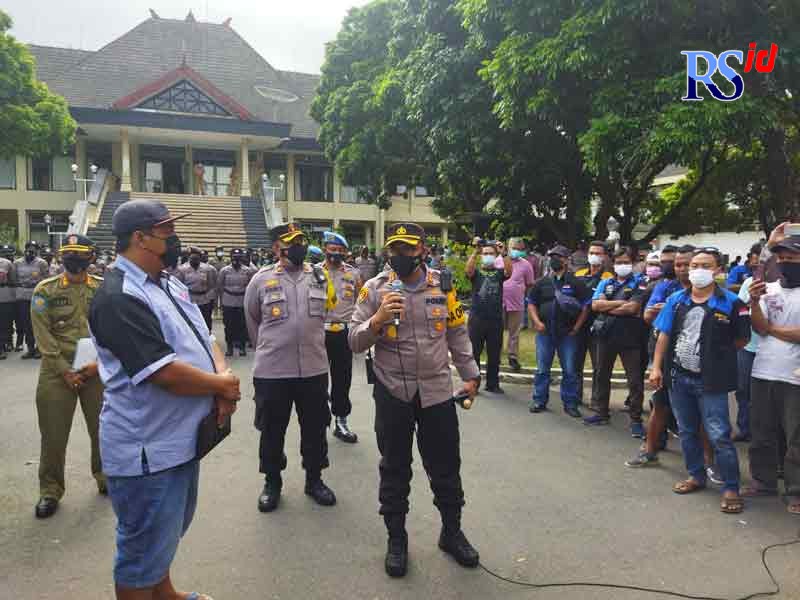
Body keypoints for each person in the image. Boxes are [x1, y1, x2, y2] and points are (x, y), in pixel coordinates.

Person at [89, 199, 240, 600]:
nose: (175, 239)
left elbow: (205, 337)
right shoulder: (119, 296)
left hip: (177, 440)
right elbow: (162, 373)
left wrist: (221, 378)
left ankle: (165, 593)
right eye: (167, 231)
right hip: (146, 449)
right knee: (141, 550)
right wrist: (220, 386)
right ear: (140, 238)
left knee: (166, 533)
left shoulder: (168, 282)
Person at [349, 222, 481, 578]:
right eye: (394, 248)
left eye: (407, 248)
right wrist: (377, 320)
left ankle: (451, 533)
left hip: (437, 392)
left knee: (446, 466)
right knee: (394, 468)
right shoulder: (375, 288)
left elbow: (457, 333)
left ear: (422, 249)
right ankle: (397, 539)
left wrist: (471, 375)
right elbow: (354, 340)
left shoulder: (442, 286)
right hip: (393, 391)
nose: (400, 255)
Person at [245, 223, 338, 514]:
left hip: (313, 369)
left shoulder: (319, 277)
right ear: (277, 248)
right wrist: (273, 347)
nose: (298, 247)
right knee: (272, 431)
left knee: (316, 428)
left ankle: (314, 479)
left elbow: (328, 311)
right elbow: (253, 321)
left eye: (301, 241)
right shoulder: (260, 280)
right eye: (291, 242)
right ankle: (272, 482)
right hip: (273, 372)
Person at [649, 247, 748, 514]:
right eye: (694, 266)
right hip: (679, 378)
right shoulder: (676, 300)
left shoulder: (732, 303)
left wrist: (716, 357)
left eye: (705, 266)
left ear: (718, 271)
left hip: (711, 382)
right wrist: (656, 367)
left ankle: (731, 487)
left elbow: (742, 339)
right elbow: (664, 334)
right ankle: (695, 475)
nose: (698, 271)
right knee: (687, 430)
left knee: (719, 435)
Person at [29, 235, 105, 518]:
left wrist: (99, 365)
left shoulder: (102, 289)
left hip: (95, 370)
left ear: (91, 257)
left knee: (103, 429)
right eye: (68, 254)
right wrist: (64, 371)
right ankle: (50, 490)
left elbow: (112, 330)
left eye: (79, 253)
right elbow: (43, 336)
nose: (73, 259)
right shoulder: (45, 290)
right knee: (53, 434)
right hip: (56, 371)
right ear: (61, 257)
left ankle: (106, 477)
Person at [742, 226, 800, 512]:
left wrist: (772, 329)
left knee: (795, 437)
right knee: (761, 431)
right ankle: (763, 482)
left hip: (795, 376)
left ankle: (796, 490)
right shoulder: (768, 290)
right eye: (782, 258)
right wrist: (754, 302)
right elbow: (758, 327)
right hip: (763, 371)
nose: (786, 262)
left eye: (793, 258)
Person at [625, 245, 693, 467]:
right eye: (674, 264)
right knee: (660, 402)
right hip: (665, 353)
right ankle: (651, 448)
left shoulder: (708, 292)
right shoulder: (665, 287)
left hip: (694, 357)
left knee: (701, 411)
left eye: (683, 263)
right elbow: (648, 316)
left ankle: (708, 461)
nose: (677, 268)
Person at [584, 247, 647, 437]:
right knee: (601, 375)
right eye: (619, 262)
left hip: (631, 338)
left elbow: (633, 308)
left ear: (633, 263)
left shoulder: (640, 283)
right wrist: (620, 303)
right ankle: (601, 412)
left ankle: (636, 419)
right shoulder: (606, 282)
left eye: (626, 262)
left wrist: (607, 306)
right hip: (605, 336)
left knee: (634, 380)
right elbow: (595, 305)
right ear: (613, 263)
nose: (622, 265)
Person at [527, 245, 590, 417]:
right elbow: (531, 303)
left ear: (566, 260)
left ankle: (570, 404)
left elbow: (586, 305)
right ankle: (539, 400)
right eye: (552, 256)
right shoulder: (542, 282)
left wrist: (577, 327)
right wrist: (537, 322)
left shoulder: (576, 282)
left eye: (559, 256)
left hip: (567, 334)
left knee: (569, 370)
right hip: (545, 333)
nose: (554, 260)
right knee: (542, 369)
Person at [322, 231, 363, 443]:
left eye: (340, 250)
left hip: (344, 332)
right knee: (317, 380)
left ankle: (341, 421)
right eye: (332, 249)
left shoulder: (354, 274)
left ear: (345, 252)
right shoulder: (313, 273)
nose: (335, 253)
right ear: (325, 249)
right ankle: (318, 420)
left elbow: (361, 303)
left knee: (342, 379)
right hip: (318, 332)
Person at [466, 238, 512, 393]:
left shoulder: (498, 273)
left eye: (491, 253)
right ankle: (474, 384)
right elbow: (468, 271)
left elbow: (509, 272)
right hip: (477, 319)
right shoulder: (477, 273)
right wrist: (475, 252)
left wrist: (503, 254)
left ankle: (492, 384)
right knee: (474, 352)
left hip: (495, 320)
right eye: (485, 253)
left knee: (494, 354)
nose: (488, 256)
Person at [574, 241, 613, 408]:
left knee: (599, 366)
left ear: (605, 256)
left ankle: (597, 401)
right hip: (578, 325)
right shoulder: (578, 274)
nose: (594, 256)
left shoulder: (610, 278)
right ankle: (575, 396)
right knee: (576, 363)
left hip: (599, 327)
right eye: (592, 253)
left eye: (598, 253)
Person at [503, 238, 535, 372]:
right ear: (508, 248)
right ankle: (495, 355)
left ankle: (512, 357)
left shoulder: (526, 265)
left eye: (520, 249)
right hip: (498, 302)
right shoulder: (499, 261)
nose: (517, 251)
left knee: (514, 332)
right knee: (495, 330)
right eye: (514, 248)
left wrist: (521, 292)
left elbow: (530, 283)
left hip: (517, 303)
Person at [13, 240, 49, 359]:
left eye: (33, 248)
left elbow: (46, 278)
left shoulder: (42, 263)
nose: (30, 250)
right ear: (25, 249)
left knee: (39, 322)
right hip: (23, 296)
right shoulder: (17, 263)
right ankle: (30, 349)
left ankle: (39, 349)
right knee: (26, 323)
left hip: (38, 296)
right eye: (29, 248)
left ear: (37, 250)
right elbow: (14, 278)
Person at [217, 248, 253, 357]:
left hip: (242, 300)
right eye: (234, 257)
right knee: (229, 325)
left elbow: (251, 287)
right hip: (228, 300)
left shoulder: (248, 271)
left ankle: (242, 347)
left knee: (242, 325)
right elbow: (220, 286)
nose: (236, 260)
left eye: (238, 257)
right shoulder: (224, 271)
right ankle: (229, 347)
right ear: (231, 258)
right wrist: (221, 302)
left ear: (241, 258)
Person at [177, 247, 218, 331]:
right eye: (192, 258)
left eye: (196, 258)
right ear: (189, 258)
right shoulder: (182, 269)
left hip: (204, 300)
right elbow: (180, 286)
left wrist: (210, 299)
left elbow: (211, 285)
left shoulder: (208, 269)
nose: (194, 260)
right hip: (190, 300)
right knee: (191, 322)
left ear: (200, 258)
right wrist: (184, 300)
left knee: (206, 322)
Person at [0, 245, 14, 358]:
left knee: (4, 323)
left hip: (4, 297)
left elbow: (13, 280)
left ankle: (3, 346)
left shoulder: (7, 263)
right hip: (5, 297)